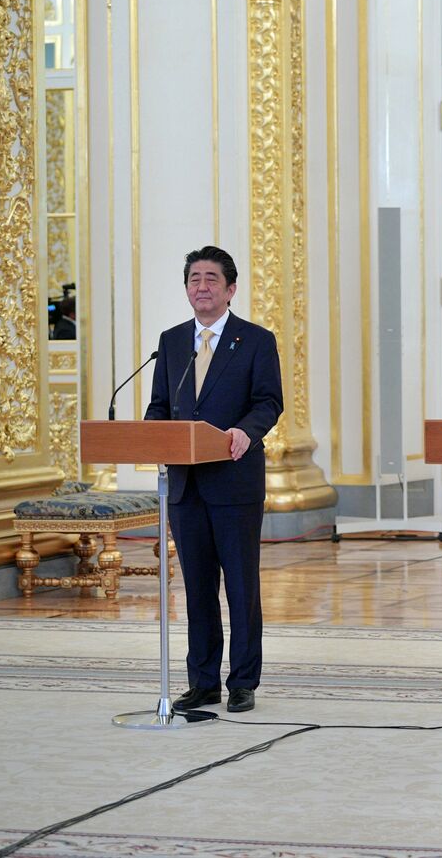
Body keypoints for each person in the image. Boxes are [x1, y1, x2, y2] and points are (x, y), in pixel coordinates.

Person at [144, 246, 282, 715]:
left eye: (211, 279)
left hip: (234, 481)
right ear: (186, 288)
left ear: (230, 289)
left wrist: (245, 431)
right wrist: (153, 435)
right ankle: (202, 681)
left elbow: (268, 402)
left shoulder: (256, 340)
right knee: (198, 589)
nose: (201, 287)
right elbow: (160, 407)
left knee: (241, 587)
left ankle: (242, 681)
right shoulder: (171, 342)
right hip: (186, 487)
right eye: (194, 279)